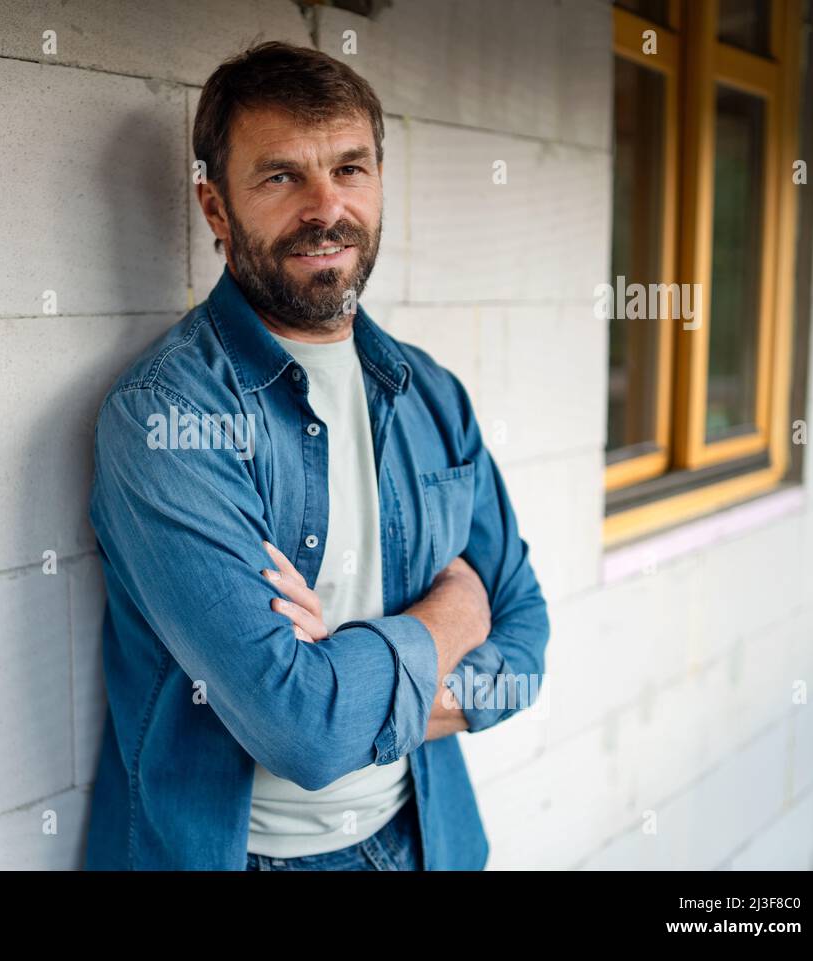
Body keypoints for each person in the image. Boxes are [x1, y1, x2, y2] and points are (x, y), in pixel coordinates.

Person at [84, 40, 549, 871]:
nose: (326, 207)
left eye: (350, 169)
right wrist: (455, 615)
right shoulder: (167, 417)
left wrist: (349, 672)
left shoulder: (430, 393)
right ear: (216, 209)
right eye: (281, 176)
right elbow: (304, 731)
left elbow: (524, 658)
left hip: (426, 840)